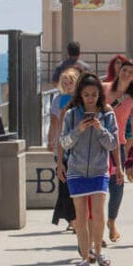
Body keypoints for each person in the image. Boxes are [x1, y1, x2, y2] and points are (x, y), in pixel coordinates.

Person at [59, 72, 121, 266]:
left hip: (99, 169)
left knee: (98, 214)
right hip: (76, 169)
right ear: (80, 95)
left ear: (99, 95)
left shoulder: (107, 114)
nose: (90, 99)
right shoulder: (71, 115)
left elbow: (113, 143)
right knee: (81, 217)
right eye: (86, 95)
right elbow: (64, 142)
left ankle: (99, 251)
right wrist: (79, 130)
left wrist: (100, 128)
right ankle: (85, 257)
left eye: (94, 94)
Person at [102, 59, 133, 244]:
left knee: (117, 186)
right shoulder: (104, 89)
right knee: (97, 186)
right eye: (124, 70)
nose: (126, 74)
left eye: (130, 73)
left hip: (118, 145)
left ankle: (112, 221)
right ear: (119, 70)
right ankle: (97, 228)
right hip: (97, 144)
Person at [48, 68, 81, 232]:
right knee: (64, 183)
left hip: (77, 145)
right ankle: (71, 219)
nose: (68, 86)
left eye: (71, 82)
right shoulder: (57, 100)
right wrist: (50, 140)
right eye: (65, 83)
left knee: (73, 183)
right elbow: (54, 122)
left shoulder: (81, 99)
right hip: (62, 144)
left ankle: (74, 217)